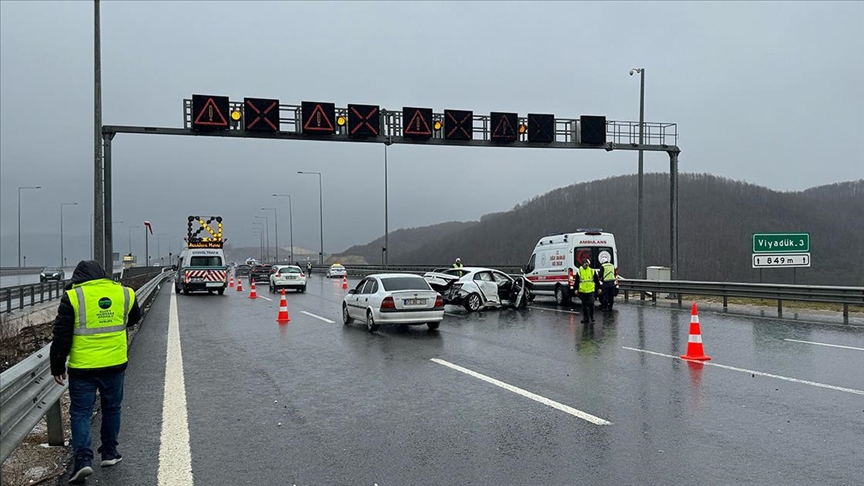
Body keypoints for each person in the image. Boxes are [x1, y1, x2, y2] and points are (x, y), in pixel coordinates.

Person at [50, 260, 141, 484]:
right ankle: (109, 453)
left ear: (79, 277)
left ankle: (82, 461)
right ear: (102, 273)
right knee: (112, 408)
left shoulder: (73, 296)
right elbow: (135, 318)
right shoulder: (124, 293)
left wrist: (57, 366)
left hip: (83, 367)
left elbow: (61, 335)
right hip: (115, 363)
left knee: (81, 412)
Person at [577, 258, 600, 324]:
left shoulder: (592, 271)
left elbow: (596, 280)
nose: (586, 264)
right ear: (582, 264)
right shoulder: (580, 271)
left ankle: (591, 317)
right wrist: (576, 289)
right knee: (584, 306)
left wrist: (599, 288)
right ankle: (585, 318)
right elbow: (577, 281)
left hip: (591, 290)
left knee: (591, 304)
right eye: (584, 263)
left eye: (587, 263)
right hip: (583, 291)